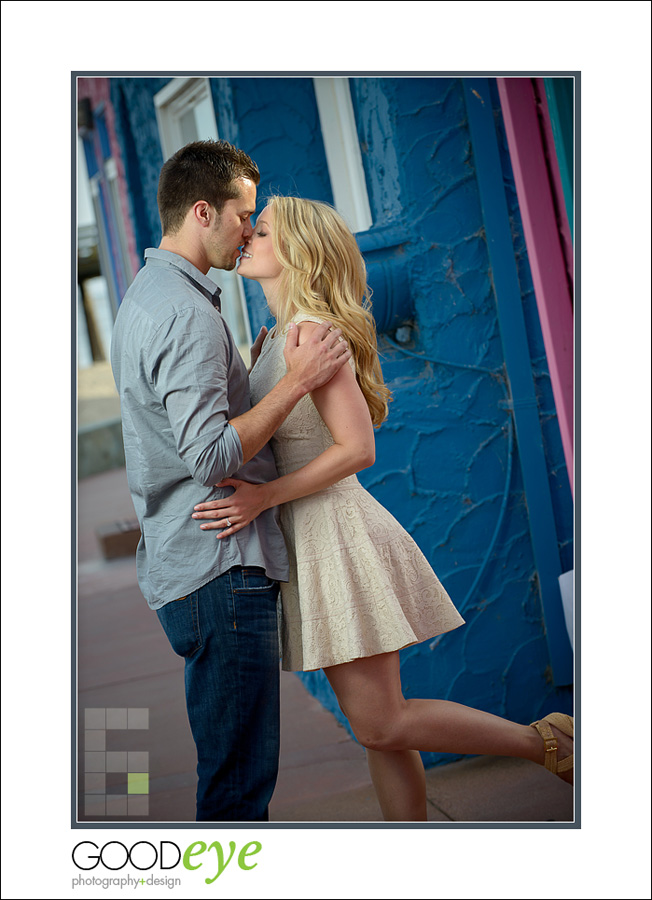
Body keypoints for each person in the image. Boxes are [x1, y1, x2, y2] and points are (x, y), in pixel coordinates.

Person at [191, 196, 574, 822]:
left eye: (261, 231)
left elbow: (357, 450)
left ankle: (548, 742)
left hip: (335, 533)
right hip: (311, 535)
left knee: (381, 721)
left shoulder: (312, 334)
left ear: (297, 251)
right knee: (380, 726)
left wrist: (263, 496)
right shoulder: (274, 339)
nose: (247, 238)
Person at [110, 143, 351, 822]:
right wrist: (298, 381)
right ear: (201, 211)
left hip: (188, 563)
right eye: (244, 214)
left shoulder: (150, 297)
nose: (250, 228)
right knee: (238, 789)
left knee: (233, 774)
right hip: (219, 568)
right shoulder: (186, 314)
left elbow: (181, 420)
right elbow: (211, 455)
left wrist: (247, 378)